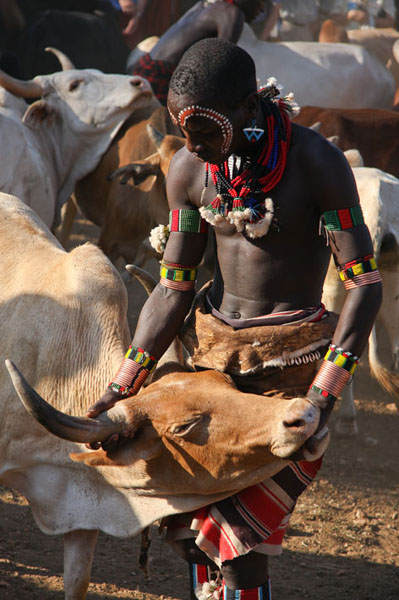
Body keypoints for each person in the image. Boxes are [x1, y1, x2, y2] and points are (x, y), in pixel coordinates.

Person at [87, 38, 382, 599]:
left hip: (292, 379)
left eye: (206, 131)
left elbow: (365, 284)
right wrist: (122, 384)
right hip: (210, 370)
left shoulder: (317, 164)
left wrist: (322, 395)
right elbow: (175, 287)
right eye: (186, 132)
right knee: (192, 532)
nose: (195, 146)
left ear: (250, 106)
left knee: (240, 550)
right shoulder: (188, 171)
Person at [128, 0, 269, 104]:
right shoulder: (232, 13)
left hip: (145, 64)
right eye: (262, 1)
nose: (262, 9)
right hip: (162, 76)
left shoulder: (202, 6)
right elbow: (223, 65)